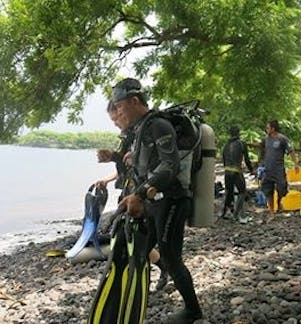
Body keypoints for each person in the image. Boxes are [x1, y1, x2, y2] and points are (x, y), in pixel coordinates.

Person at [115, 78, 202, 323]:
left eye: (120, 106)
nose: (118, 112)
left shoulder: (159, 125)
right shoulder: (141, 129)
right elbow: (147, 166)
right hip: (155, 202)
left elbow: (170, 165)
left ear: (134, 101)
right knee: (138, 249)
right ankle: (132, 299)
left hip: (172, 199)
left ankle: (193, 310)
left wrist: (139, 193)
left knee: (172, 256)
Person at [95, 101, 168, 292]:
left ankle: (157, 272)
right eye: (113, 118)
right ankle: (150, 274)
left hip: (142, 194)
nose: (116, 122)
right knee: (133, 238)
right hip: (130, 192)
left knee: (136, 238)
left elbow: (149, 167)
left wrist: (141, 194)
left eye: (117, 116)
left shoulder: (143, 132)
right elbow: (125, 169)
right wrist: (108, 176)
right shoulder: (129, 136)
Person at [259, 120, 300, 222]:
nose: (266, 130)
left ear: (273, 129)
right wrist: (260, 165)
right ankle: (272, 212)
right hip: (268, 169)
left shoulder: (282, 139)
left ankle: (279, 200)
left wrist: (296, 164)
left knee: (282, 187)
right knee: (268, 190)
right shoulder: (266, 139)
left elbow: (291, 151)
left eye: (268, 128)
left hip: (279, 169)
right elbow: (262, 151)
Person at [220, 126, 255, 223]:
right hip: (236, 171)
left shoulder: (226, 145)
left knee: (228, 192)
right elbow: (247, 160)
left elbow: (223, 159)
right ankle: (236, 215)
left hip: (227, 171)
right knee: (242, 192)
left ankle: (223, 212)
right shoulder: (241, 143)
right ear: (238, 133)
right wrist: (252, 170)